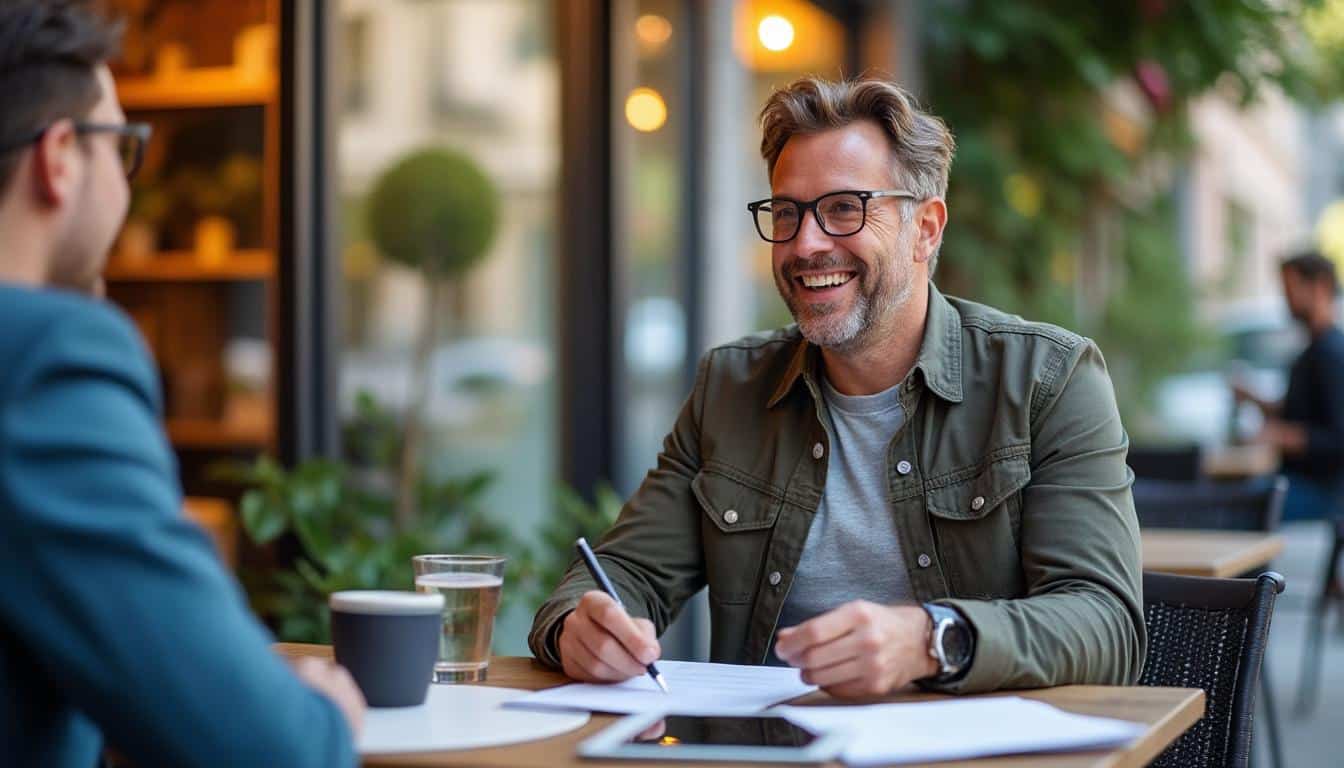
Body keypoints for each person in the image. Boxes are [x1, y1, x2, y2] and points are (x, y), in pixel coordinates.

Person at [530, 76, 1146, 697]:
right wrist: (580, 628)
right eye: (787, 212)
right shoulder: (732, 387)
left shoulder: (1048, 379)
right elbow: (626, 571)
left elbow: (1107, 625)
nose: (806, 243)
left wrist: (931, 640)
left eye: (845, 208)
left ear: (926, 229)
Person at [0, 2, 364, 765]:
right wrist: (321, 714)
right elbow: (259, 746)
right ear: (60, 157)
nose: (126, 179)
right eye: (124, 146)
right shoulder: (45, 358)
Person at [1234, 251, 1344, 521]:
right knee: (1234, 495)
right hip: (1299, 480)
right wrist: (1256, 401)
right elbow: (1299, 412)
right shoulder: (1313, 350)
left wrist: (1280, 435)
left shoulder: (1331, 353)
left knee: (1235, 508)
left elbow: (1337, 438)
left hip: (1324, 491)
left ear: (1320, 286)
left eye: (1291, 288)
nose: (1286, 299)